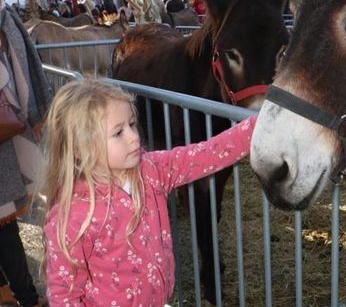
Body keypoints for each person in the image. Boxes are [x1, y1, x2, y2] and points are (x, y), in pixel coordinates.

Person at [41, 80, 256, 306]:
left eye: (132, 124)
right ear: (79, 148)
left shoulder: (150, 170)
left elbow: (205, 154)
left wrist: (258, 126)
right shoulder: (74, 217)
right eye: (118, 132)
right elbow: (64, 295)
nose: (134, 136)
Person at [0, 0, 50, 307]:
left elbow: (19, 71)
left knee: (3, 219)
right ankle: (22, 294)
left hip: (4, 138)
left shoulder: (5, 18)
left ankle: (21, 293)